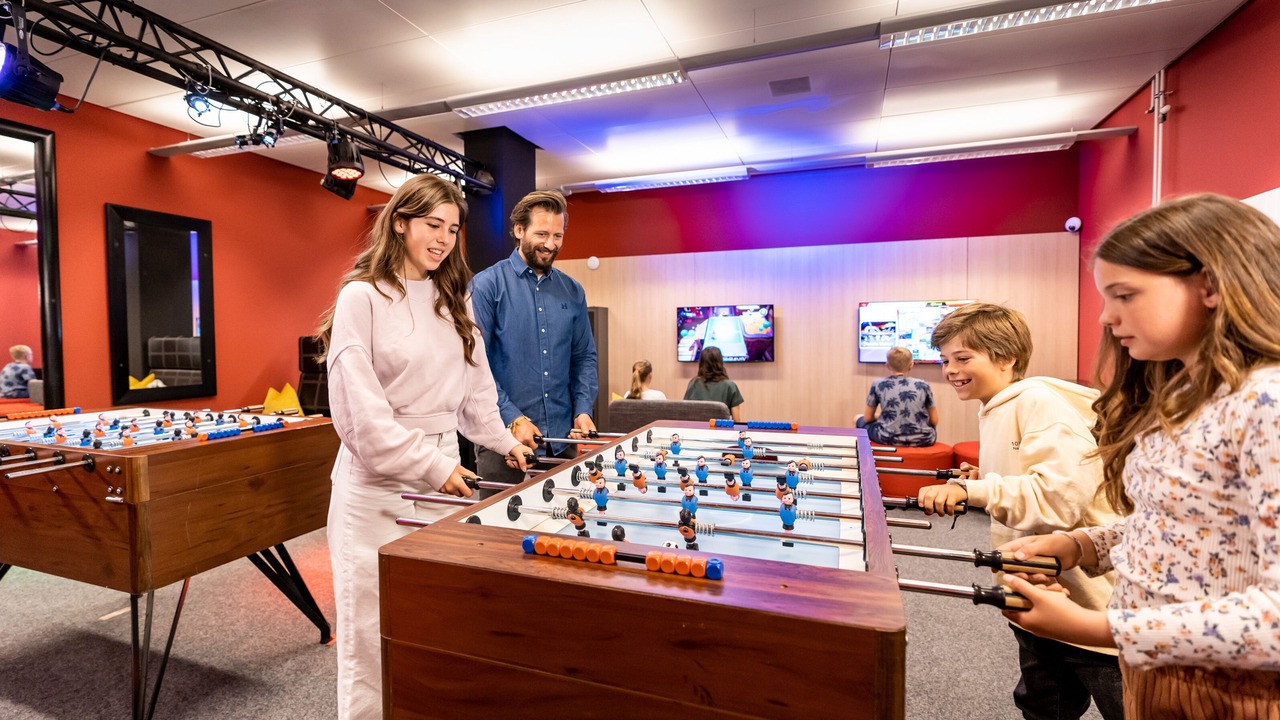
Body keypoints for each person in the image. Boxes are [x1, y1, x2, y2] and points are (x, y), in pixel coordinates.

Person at [996, 194, 1280, 719]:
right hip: (1158, 669)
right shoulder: (1184, 394)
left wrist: (1093, 627)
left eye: (1124, 295)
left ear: (1212, 286)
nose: (1106, 316)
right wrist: (1080, 545)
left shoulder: (1266, 402)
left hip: (1234, 690)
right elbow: (1187, 524)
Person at [315, 174, 530, 720]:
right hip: (375, 490)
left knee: (436, 622)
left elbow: (476, 394)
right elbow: (361, 418)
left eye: (452, 229)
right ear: (401, 222)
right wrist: (430, 463)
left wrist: (504, 442)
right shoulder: (360, 297)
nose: (443, 238)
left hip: (440, 481)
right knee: (369, 631)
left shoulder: (451, 299)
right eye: (433, 224)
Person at [917, 301, 1124, 720]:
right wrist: (987, 474)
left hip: (1088, 606)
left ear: (1007, 357)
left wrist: (973, 490)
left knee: (1123, 704)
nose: (950, 369)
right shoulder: (995, 404)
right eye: (945, 359)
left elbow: (1060, 497)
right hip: (1034, 587)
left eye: (963, 357)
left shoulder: (1036, 402)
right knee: (1042, 705)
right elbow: (1030, 472)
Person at [471, 189, 598, 484]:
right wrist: (513, 417)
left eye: (558, 236)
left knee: (564, 527)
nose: (550, 244)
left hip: (561, 441)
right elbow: (476, 367)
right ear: (518, 230)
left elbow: (584, 357)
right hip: (501, 442)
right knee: (500, 530)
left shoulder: (573, 290)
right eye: (542, 234)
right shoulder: (486, 286)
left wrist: (582, 409)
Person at [859, 345, 938, 446]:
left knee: (858, 419)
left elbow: (867, 418)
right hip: (924, 440)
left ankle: (863, 458)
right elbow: (934, 420)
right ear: (911, 365)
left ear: (887, 365)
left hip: (887, 437)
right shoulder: (923, 385)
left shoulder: (878, 384)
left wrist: (881, 417)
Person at [683, 346, 744, 421]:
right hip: (721, 431)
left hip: (697, 431)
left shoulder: (693, 384)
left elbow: (685, 414)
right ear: (720, 362)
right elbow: (737, 421)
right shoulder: (730, 386)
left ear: (701, 363)